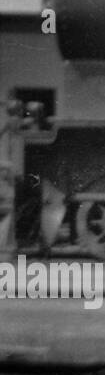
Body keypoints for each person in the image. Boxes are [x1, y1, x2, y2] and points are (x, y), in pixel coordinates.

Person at [0, 96, 23, 262]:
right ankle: (6, 248)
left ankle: (7, 248)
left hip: (8, 170)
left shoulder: (9, 126)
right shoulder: (10, 128)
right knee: (8, 210)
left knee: (8, 210)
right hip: (8, 171)